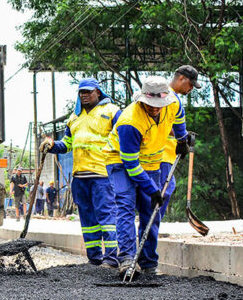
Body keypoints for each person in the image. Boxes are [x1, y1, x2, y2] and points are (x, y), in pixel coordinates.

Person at [103, 76, 190, 278]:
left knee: (151, 210)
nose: (155, 108)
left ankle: (149, 262)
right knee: (125, 204)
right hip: (120, 160)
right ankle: (126, 259)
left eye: (159, 104)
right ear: (142, 99)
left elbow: (179, 120)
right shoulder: (129, 121)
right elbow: (131, 166)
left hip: (151, 162)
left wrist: (182, 139)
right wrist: (152, 189)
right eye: (150, 105)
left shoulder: (174, 104)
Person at [41, 78, 121, 267]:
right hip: (80, 177)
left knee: (107, 217)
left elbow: (123, 137)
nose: (84, 95)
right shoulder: (74, 118)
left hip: (102, 174)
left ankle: (112, 258)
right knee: (88, 219)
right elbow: (67, 144)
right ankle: (94, 258)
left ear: (98, 92)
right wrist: (51, 145)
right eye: (81, 92)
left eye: (88, 91)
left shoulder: (112, 111)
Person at [159, 65, 200, 214]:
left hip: (167, 155)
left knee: (165, 191)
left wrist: (184, 136)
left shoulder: (171, 97)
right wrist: (182, 136)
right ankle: (150, 232)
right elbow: (162, 124)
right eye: (190, 84)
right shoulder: (168, 97)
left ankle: (151, 230)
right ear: (181, 78)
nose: (191, 89)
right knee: (163, 192)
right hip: (160, 155)